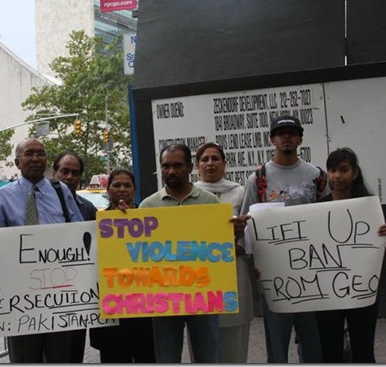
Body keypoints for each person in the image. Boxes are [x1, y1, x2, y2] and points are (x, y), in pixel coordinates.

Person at [140, 144, 245, 363]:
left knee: (208, 357)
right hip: (164, 300)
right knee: (167, 358)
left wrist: (233, 233)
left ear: (189, 167)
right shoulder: (147, 206)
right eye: (166, 166)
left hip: (203, 297)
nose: (171, 171)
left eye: (177, 165)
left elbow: (221, 249)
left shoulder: (210, 202)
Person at [240, 115, 327, 363]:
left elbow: (329, 218)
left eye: (291, 132)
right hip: (274, 274)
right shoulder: (258, 178)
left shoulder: (317, 176)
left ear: (300, 138)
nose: (286, 137)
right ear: (272, 139)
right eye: (281, 133)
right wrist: (255, 264)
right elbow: (247, 224)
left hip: (311, 273)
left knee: (312, 343)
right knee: (277, 346)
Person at [0, 138, 84, 363]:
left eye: (41, 154)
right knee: (24, 357)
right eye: (29, 154)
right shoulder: (1, 198)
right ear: (17, 162)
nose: (35, 158)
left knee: (60, 356)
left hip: (59, 294)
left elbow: (80, 233)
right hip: (20, 299)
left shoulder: (62, 192)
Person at [314, 147, 386, 363]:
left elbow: (377, 248)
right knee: (329, 350)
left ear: (355, 173)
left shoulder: (370, 207)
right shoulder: (317, 208)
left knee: (363, 348)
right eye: (332, 170)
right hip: (328, 291)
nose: (337, 176)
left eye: (343, 170)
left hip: (362, 288)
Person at [192, 142, 253, 363]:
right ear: (197, 166)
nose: (210, 164)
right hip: (200, 276)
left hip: (234, 271)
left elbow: (253, 231)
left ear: (224, 164)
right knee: (203, 340)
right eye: (204, 159)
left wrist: (240, 239)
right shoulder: (190, 195)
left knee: (235, 339)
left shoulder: (239, 192)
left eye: (215, 159)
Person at [89, 168, 156, 363]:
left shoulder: (150, 221)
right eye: (116, 185)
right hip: (112, 314)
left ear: (134, 189)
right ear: (108, 189)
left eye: (127, 185)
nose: (122, 189)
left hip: (144, 312)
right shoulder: (94, 221)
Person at [52, 151, 97, 363]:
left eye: (75, 173)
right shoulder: (39, 205)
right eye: (64, 171)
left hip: (77, 296)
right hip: (43, 292)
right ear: (54, 173)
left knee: (74, 351)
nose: (70, 177)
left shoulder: (88, 209)